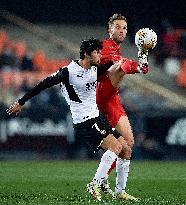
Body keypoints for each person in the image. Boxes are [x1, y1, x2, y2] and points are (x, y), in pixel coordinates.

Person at [6, 38, 132, 202]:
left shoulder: (96, 68)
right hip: (85, 121)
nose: (100, 55)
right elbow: (43, 84)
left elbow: (119, 65)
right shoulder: (68, 72)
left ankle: (120, 192)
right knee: (116, 147)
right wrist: (21, 102)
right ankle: (94, 184)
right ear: (87, 54)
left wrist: (135, 61)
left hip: (97, 117)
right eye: (96, 52)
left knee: (126, 149)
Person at [89, 13, 149, 200]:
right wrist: (135, 66)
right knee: (121, 66)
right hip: (100, 95)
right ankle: (95, 183)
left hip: (112, 98)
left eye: (124, 28)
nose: (121, 30)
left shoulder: (116, 49)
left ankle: (119, 191)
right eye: (117, 26)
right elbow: (109, 68)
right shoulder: (104, 46)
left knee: (128, 145)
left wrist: (141, 57)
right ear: (109, 29)